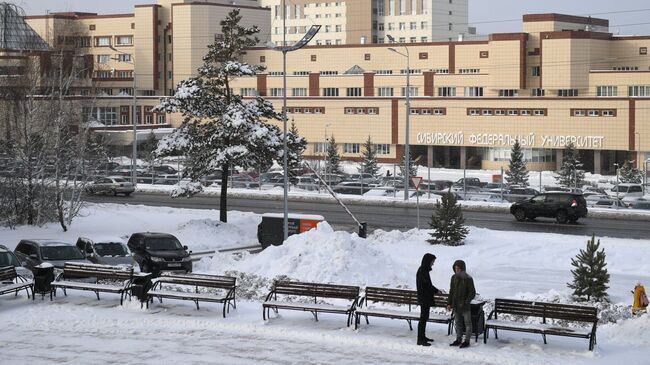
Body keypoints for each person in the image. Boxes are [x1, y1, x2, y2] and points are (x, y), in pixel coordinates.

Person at [447, 259, 476, 349]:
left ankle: (466, 341)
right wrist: (449, 303)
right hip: (456, 305)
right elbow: (451, 291)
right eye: (455, 268)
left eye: (458, 268)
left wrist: (465, 302)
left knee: (468, 323)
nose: (457, 270)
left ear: (463, 268)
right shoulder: (453, 278)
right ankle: (458, 339)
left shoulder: (468, 278)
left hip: (465, 306)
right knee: (458, 323)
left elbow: (472, 293)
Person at [416, 253, 440, 346]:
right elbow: (426, 285)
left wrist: (435, 290)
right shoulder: (422, 271)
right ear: (428, 261)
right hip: (424, 298)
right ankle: (420, 339)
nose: (433, 264)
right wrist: (435, 290)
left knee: (424, 318)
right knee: (423, 318)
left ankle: (423, 337)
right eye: (432, 261)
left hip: (424, 297)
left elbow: (427, 284)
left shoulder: (424, 270)